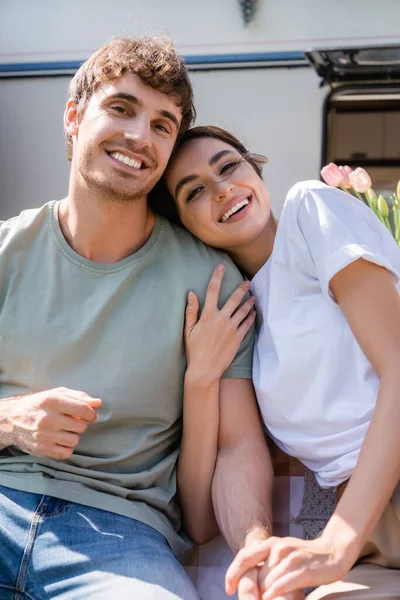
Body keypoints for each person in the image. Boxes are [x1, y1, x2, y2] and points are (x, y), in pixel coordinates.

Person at [0, 39, 277, 600]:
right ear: (75, 117)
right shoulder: (6, 252)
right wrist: (10, 421)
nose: (139, 137)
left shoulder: (210, 279)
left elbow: (235, 446)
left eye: (162, 124)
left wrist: (255, 550)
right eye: (122, 109)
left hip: (122, 537)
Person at [150, 124, 400, 599]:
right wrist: (200, 378)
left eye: (229, 166)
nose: (223, 188)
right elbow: (202, 518)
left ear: (255, 170)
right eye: (196, 191)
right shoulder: (233, 318)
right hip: (371, 530)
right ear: (182, 225)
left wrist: (335, 544)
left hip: (356, 524)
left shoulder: (311, 210)